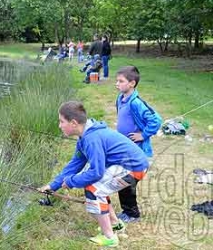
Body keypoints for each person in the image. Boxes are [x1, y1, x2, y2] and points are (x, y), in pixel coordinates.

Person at [38, 101, 149, 247]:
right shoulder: (84, 137)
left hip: (134, 168)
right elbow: (74, 165)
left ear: (73, 123)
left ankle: (109, 237)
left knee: (94, 189)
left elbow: (96, 172)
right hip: (127, 166)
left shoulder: (91, 139)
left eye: (61, 121)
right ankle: (115, 224)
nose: (59, 125)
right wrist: (53, 185)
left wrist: (71, 181)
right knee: (96, 185)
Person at [115, 66, 162, 223]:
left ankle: (132, 214)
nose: (117, 84)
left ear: (132, 83)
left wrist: (143, 134)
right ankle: (128, 211)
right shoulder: (120, 99)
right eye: (117, 81)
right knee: (121, 180)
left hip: (138, 152)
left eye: (121, 81)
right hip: (124, 150)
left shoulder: (136, 102)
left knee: (126, 182)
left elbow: (156, 120)